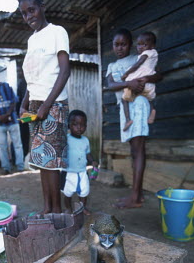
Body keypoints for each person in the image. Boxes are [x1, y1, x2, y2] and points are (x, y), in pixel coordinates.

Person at [18, 0, 70, 214]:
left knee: (52, 164)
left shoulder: (57, 32)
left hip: (53, 105)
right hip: (34, 106)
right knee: (40, 161)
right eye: (24, 13)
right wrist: (23, 103)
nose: (29, 16)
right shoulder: (32, 40)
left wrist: (46, 106)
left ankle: (56, 212)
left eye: (32, 10)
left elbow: (64, 71)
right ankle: (47, 208)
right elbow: (33, 78)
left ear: (42, 7)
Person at [106, 28, 162, 209]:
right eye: (116, 44)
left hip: (138, 104)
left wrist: (144, 79)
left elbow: (158, 75)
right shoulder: (112, 66)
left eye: (124, 44)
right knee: (134, 150)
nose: (120, 48)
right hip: (125, 108)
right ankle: (136, 194)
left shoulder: (139, 58)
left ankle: (136, 197)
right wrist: (128, 83)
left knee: (138, 149)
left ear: (131, 45)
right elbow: (111, 85)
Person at [0, 68, 24, 175]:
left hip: (13, 120)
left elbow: (14, 101)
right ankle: (6, 168)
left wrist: (7, 114)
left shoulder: (6, 86)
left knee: (17, 144)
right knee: (1, 146)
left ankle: (20, 166)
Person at [62, 110, 98, 216]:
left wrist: (93, 161)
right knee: (67, 193)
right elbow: (61, 152)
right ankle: (68, 208)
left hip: (82, 171)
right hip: (68, 172)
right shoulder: (66, 139)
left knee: (84, 191)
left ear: (86, 126)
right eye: (75, 124)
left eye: (82, 125)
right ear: (69, 125)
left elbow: (88, 154)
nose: (79, 127)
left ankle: (82, 208)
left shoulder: (85, 140)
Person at [121, 31, 158, 131]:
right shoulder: (154, 54)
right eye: (138, 44)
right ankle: (152, 111)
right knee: (148, 98)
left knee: (124, 99)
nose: (140, 47)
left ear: (152, 45)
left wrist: (126, 73)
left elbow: (137, 65)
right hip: (149, 84)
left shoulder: (146, 54)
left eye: (144, 44)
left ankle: (128, 119)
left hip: (139, 81)